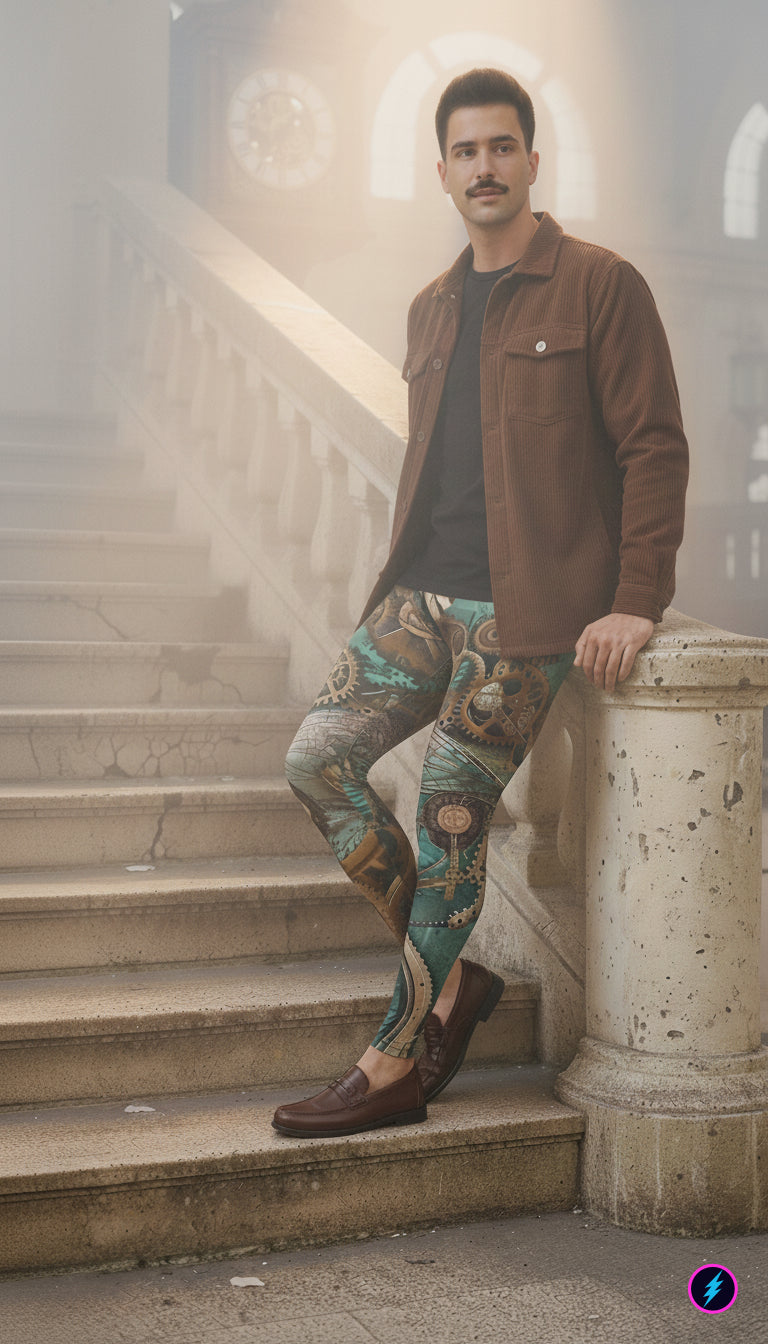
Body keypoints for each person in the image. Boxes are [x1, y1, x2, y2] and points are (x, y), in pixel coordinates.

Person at [272, 67, 688, 1138]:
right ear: (445, 171)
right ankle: (455, 985)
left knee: (446, 815)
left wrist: (635, 599)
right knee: (315, 758)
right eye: (466, 151)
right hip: (419, 598)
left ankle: (393, 1059)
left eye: (503, 147)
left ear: (532, 163)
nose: (485, 167)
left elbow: (652, 449)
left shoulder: (601, 286)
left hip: (526, 615)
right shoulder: (431, 307)